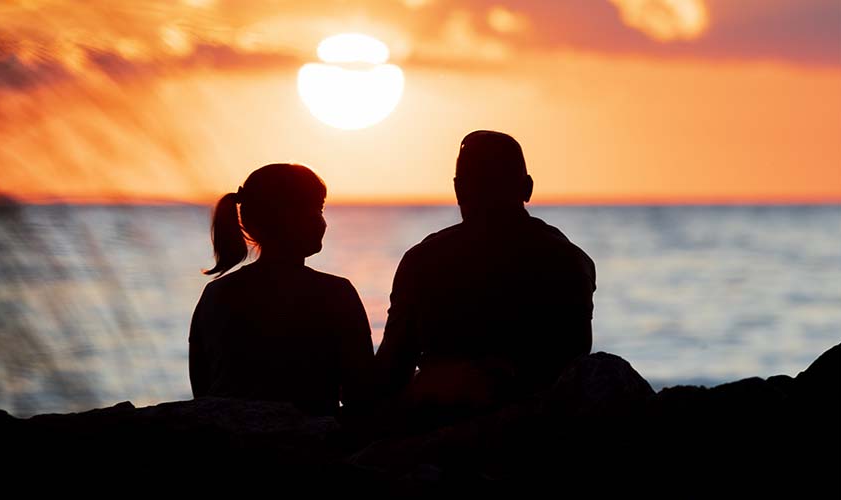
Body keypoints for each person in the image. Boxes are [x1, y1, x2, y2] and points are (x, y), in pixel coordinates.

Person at [375, 130, 596, 422]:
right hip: (541, 429)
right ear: (527, 188)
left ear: (458, 189)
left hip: (442, 426)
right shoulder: (570, 260)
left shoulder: (423, 261)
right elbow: (574, 365)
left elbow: (391, 372)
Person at [189, 163, 374, 418]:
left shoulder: (216, 294)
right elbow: (361, 393)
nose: (322, 221)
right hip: (306, 446)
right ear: (287, 217)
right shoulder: (336, 294)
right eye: (316, 209)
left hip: (230, 446)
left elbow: (203, 392)